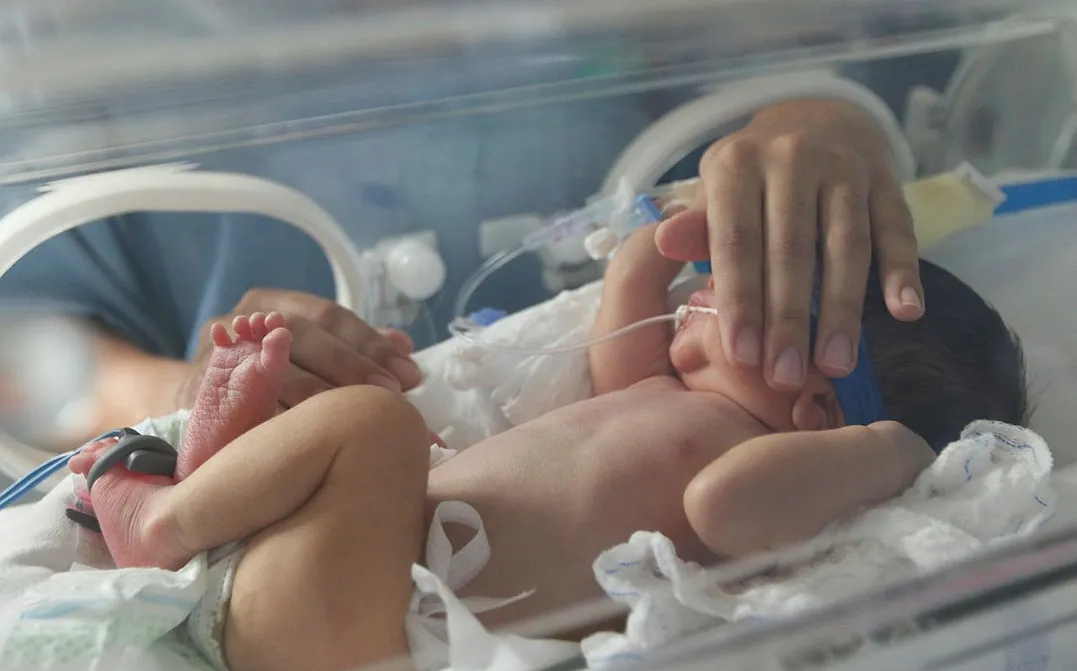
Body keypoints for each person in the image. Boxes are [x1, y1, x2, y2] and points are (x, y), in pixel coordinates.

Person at [65, 205, 1027, 671]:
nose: (704, 284)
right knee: (359, 416)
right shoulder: (664, 394)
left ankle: (168, 515)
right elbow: (620, 347)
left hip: (359, 637)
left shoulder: (757, 463)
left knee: (377, 426)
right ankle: (214, 470)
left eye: (751, 292)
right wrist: (648, 248)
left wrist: (892, 450)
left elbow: (726, 515)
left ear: (816, 397)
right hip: (336, 568)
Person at [0, 96, 927, 450]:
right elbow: (25, 348)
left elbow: (874, 72)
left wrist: (820, 123)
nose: (698, 308)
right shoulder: (73, 42)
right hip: (263, 432)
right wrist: (187, 390)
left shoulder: (698, 412)